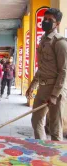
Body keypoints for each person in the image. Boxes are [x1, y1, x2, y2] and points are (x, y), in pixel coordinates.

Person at [26, 8, 67, 141]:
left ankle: (55, 158)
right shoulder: (43, 41)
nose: (46, 22)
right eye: (45, 19)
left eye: (50, 20)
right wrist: (33, 85)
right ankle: (41, 149)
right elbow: (42, 67)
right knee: (36, 120)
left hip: (57, 90)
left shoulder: (60, 43)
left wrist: (55, 95)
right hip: (42, 88)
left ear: (58, 23)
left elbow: (64, 72)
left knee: (55, 129)